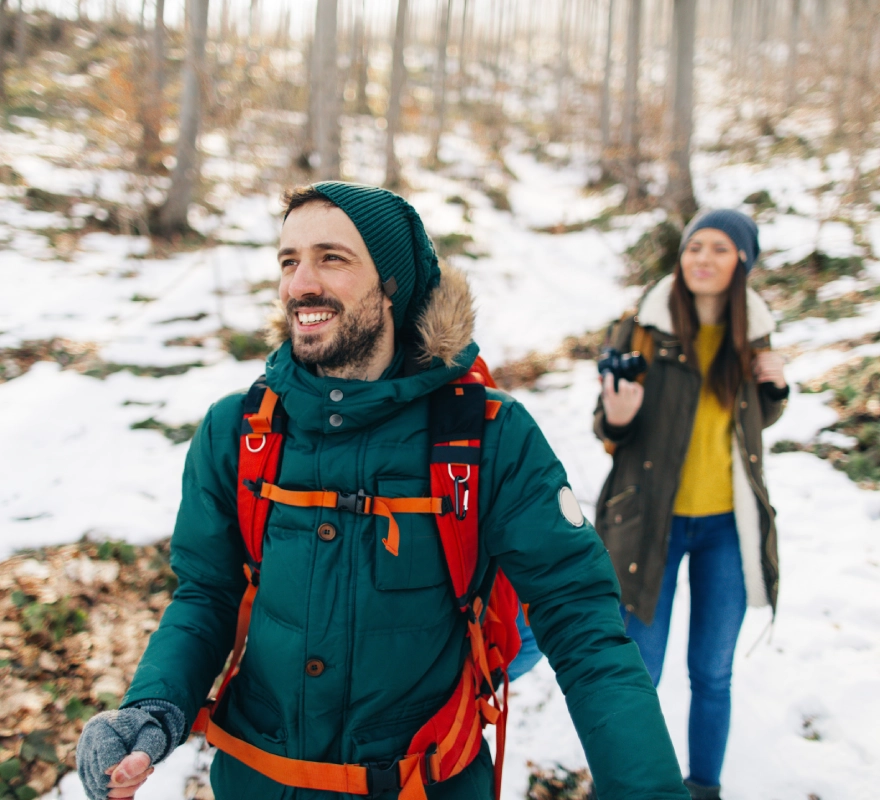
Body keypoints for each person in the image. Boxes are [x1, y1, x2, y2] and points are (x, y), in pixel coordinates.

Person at [76, 182, 689, 800]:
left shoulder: (487, 436)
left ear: (392, 284)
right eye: (288, 261)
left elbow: (582, 625)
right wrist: (152, 709)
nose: (300, 284)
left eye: (331, 258)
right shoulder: (240, 430)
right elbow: (206, 595)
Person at [593, 209, 788, 800]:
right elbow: (608, 425)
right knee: (638, 676)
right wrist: (617, 417)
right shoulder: (643, 329)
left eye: (719, 249)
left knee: (712, 673)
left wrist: (774, 390)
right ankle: (621, 788)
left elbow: (750, 423)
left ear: (742, 264)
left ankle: (703, 788)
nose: (702, 258)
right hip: (649, 522)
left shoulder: (751, 335)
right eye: (693, 246)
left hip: (727, 528)